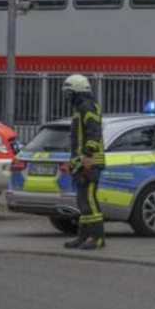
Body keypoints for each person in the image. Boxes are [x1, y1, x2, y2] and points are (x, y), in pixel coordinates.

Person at [63, 74, 106, 250]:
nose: (67, 97)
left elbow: (93, 132)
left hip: (91, 161)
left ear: (77, 92)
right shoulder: (80, 108)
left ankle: (97, 238)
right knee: (82, 201)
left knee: (89, 198)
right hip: (82, 161)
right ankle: (83, 236)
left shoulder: (88, 107)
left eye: (69, 93)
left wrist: (88, 155)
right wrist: (73, 162)